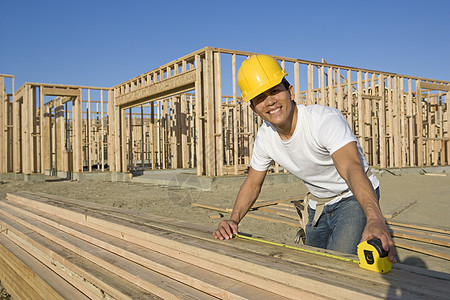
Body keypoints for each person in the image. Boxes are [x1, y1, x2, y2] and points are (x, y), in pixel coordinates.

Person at [213, 54, 396, 262]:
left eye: (275, 91)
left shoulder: (323, 121)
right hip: (318, 202)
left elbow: (351, 169)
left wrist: (374, 217)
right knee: (311, 262)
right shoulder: (265, 137)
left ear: (290, 92)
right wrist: (233, 220)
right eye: (260, 98)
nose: (270, 101)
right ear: (254, 109)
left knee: (336, 265)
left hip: (352, 195)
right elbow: (253, 183)